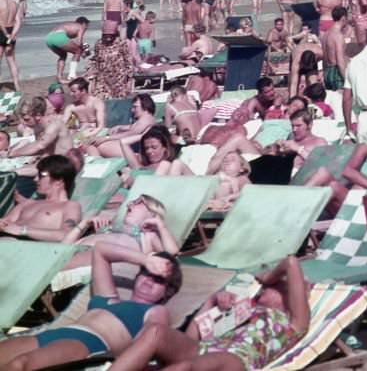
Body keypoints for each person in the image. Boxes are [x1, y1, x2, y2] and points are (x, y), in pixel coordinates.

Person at [108, 255, 308, 371]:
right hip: (203, 349)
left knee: (185, 367)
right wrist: (212, 302)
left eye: (273, 287)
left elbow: (291, 262)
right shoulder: (245, 310)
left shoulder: (293, 324)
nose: (261, 289)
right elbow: (190, 337)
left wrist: (269, 277)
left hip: (235, 362)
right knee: (155, 331)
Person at [0, 242, 180, 370]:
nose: (149, 280)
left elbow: (151, 338)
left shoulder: (156, 311)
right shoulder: (106, 297)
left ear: (167, 292)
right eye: (147, 273)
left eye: (159, 280)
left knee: (19, 365)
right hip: (54, 333)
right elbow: (100, 250)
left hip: (86, 343)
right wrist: (145, 259)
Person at [0, 154, 81, 241]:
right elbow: (5, 222)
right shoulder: (27, 203)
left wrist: (22, 230)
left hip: (28, 248)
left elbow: (67, 235)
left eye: (41, 175)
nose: (35, 179)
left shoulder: (70, 206)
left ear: (59, 180)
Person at [87, 94, 158, 158]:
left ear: (145, 106)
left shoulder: (146, 119)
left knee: (94, 145)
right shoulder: (146, 119)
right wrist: (119, 127)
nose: (132, 110)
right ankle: (99, 164)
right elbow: (133, 127)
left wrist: (106, 138)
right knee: (92, 144)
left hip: (135, 154)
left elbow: (131, 133)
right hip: (131, 150)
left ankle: (98, 165)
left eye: (135, 107)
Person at [121, 124, 192, 176]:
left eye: (154, 147)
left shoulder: (171, 166)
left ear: (165, 148)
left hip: (161, 191)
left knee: (169, 164)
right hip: (146, 192)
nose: (149, 151)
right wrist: (143, 135)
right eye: (146, 148)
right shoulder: (139, 167)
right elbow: (123, 142)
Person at [89, 20, 135, 100]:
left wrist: (130, 80)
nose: (108, 37)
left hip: (119, 80)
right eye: (106, 35)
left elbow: (128, 61)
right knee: (101, 101)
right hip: (102, 79)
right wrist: (92, 80)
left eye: (111, 35)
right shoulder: (99, 44)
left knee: (117, 103)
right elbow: (95, 61)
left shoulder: (121, 44)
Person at [46, 17, 90, 81]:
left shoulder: (70, 25)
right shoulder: (80, 27)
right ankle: (72, 75)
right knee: (77, 51)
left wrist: (82, 49)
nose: (87, 28)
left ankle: (59, 77)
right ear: (83, 23)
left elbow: (72, 44)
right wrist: (84, 51)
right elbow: (79, 42)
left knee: (63, 55)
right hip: (58, 37)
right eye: (87, 25)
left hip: (49, 38)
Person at [0, 0, 22, 91]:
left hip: (1, 32)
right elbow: (18, 21)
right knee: (11, 60)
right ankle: (17, 85)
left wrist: (5, 34)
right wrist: (12, 34)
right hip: (11, 31)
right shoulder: (13, 1)